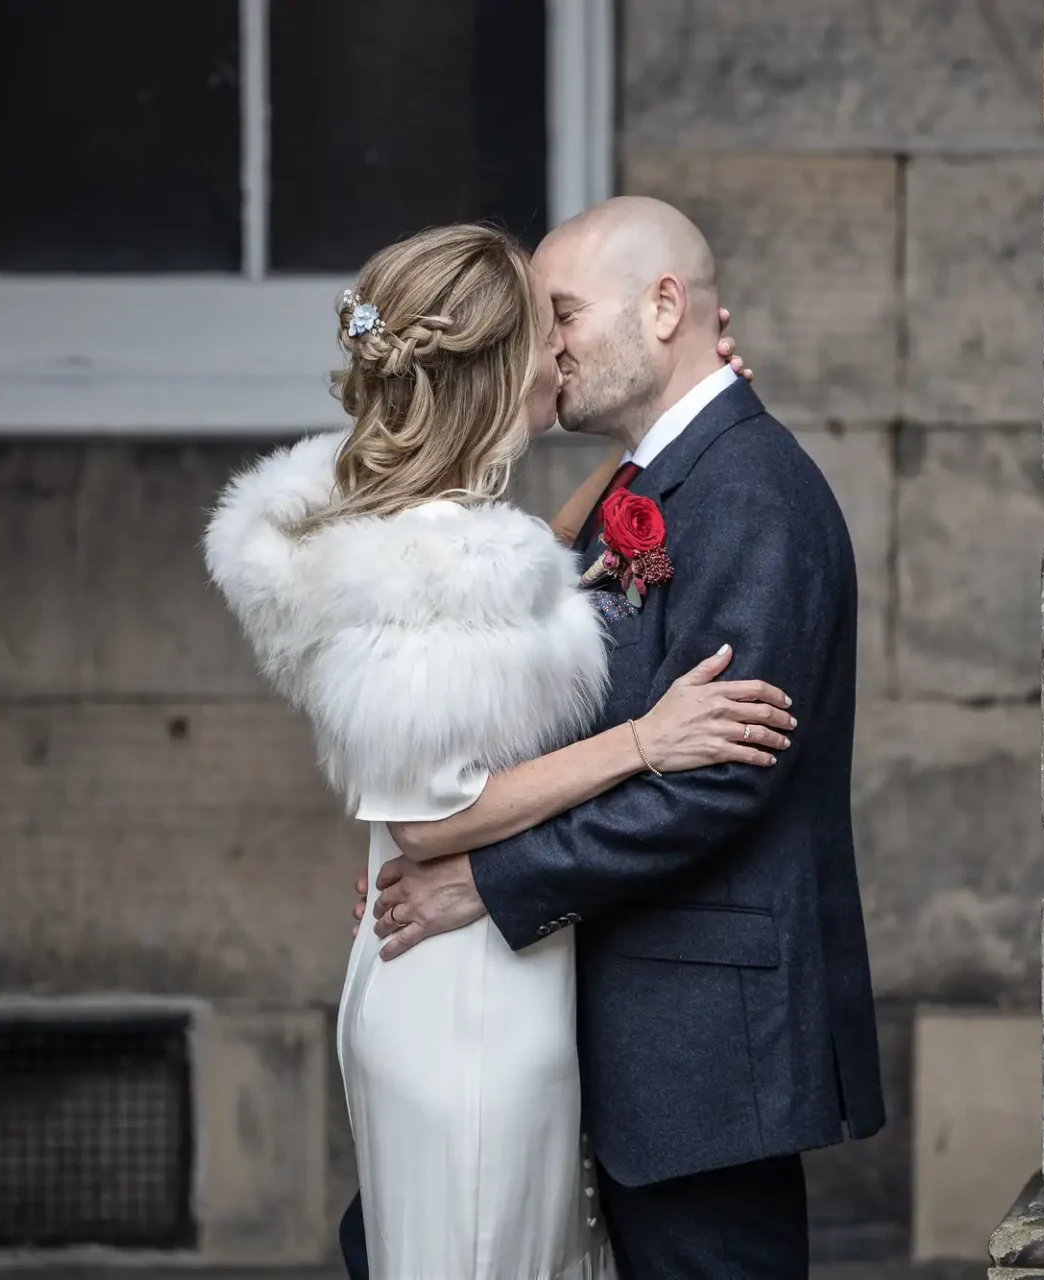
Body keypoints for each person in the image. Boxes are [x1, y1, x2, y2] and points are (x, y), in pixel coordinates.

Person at [202, 222, 786, 1280]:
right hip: (466, 999)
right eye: (547, 326)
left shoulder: (422, 534)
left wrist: (641, 451)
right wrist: (641, 742)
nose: (563, 349)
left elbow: (518, 585)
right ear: (501, 368)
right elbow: (428, 814)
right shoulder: (433, 561)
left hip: (467, 971)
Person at [355, 197, 885, 1280]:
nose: (544, 347)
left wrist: (488, 877)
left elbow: (717, 780)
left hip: (702, 1048)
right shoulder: (653, 482)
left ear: (663, 307)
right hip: (610, 1022)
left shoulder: (753, 496)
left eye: (562, 314)